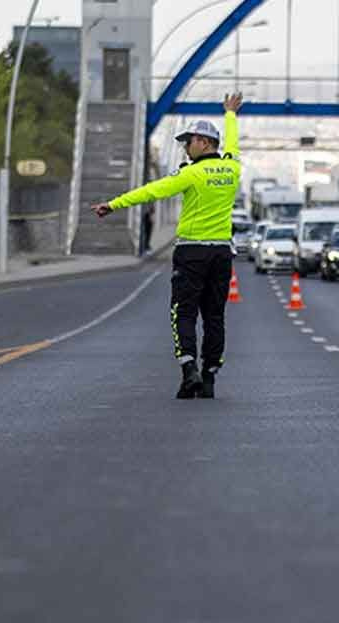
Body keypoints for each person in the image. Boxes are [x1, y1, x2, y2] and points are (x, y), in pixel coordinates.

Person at [91, 92, 244, 399]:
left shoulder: (191, 173)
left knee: (183, 312)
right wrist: (230, 114)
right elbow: (234, 145)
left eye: (188, 142)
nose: (186, 149)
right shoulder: (233, 169)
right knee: (214, 316)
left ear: (202, 142)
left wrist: (114, 204)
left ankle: (190, 371)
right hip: (221, 254)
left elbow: (152, 191)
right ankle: (211, 376)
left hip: (192, 253)